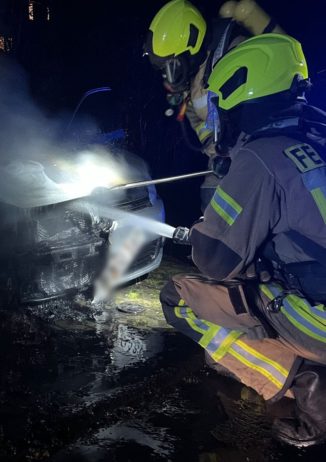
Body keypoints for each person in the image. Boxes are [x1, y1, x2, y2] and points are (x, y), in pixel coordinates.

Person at [160, 33, 326, 447]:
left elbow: (215, 260)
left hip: (321, 323)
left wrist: (204, 227)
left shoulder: (259, 158)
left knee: (179, 297)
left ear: (241, 98)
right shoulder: (316, 135)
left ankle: (309, 383)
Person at [143, 0, 283, 210]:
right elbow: (201, 123)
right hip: (225, 163)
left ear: (192, 47)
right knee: (210, 195)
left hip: (262, 160)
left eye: (171, 66)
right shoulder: (193, 77)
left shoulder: (236, 56)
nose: (168, 76)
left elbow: (257, 115)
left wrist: (235, 154)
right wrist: (217, 153)